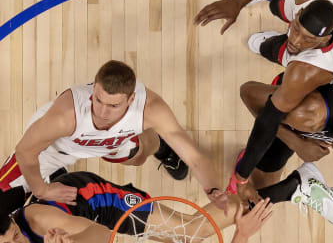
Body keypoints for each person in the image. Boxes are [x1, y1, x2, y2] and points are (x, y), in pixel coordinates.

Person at [193, 0, 333, 210]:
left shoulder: (321, 68)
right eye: (295, 30)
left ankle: (275, 48)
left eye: (307, 40)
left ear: (323, 41)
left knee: (288, 53)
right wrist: (238, 1)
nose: (297, 41)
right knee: (279, 6)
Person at [0, 60, 227, 214]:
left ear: (130, 100)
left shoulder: (150, 108)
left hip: (110, 143)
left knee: (138, 158)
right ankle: (54, 175)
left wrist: (213, 190)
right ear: (94, 88)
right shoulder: (66, 114)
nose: (102, 112)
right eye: (98, 100)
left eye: (113, 105)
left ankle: (161, 147)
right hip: (54, 149)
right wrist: (41, 190)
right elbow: (25, 151)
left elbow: (195, 158)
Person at [0, 163, 333, 243]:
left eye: (15, 237)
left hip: (96, 204)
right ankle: (293, 184)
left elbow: (106, 236)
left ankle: (295, 185)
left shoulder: (42, 222)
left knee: (188, 231)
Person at [238, 73, 333, 242]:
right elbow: (248, 92)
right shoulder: (310, 113)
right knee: (252, 205)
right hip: (286, 111)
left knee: (256, 202)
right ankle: (297, 184)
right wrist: (298, 143)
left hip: (307, 127)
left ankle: (295, 184)